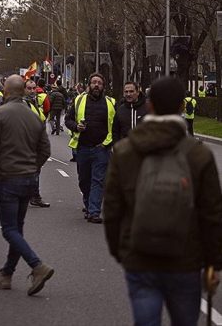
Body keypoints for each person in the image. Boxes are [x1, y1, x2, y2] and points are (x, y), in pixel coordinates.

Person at [104, 76, 222, 326]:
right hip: (186, 259)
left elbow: (113, 209)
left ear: (150, 105)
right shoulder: (199, 155)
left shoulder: (125, 151)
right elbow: (212, 214)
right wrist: (213, 262)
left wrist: (120, 250)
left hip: (140, 257)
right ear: (182, 107)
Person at [0, 74, 54, 296]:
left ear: (5, 91)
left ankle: (37, 266)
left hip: (7, 178)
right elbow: (45, 150)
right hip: (28, 179)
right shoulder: (34, 117)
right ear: (23, 91)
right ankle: (6, 274)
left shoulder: (0, 114)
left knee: (10, 229)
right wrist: (34, 168)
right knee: (18, 227)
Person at [64, 72, 117, 224]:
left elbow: (115, 126)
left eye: (99, 83)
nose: (96, 85)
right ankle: (88, 205)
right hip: (82, 148)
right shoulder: (79, 100)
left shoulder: (111, 103)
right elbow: (68, 120)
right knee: (84, 180)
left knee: (98, 180)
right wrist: (76, 127)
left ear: (103, 87)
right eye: (94, 82)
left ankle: (94, 212)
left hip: (101, 148)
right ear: (89, 85)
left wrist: (108, 143)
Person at [25, 80, 50, 208]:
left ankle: (33, 195)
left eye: (34, 88)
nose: (32, 91)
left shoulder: (33, 102)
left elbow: (43, 114)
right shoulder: (22, 103)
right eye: (29, 88)